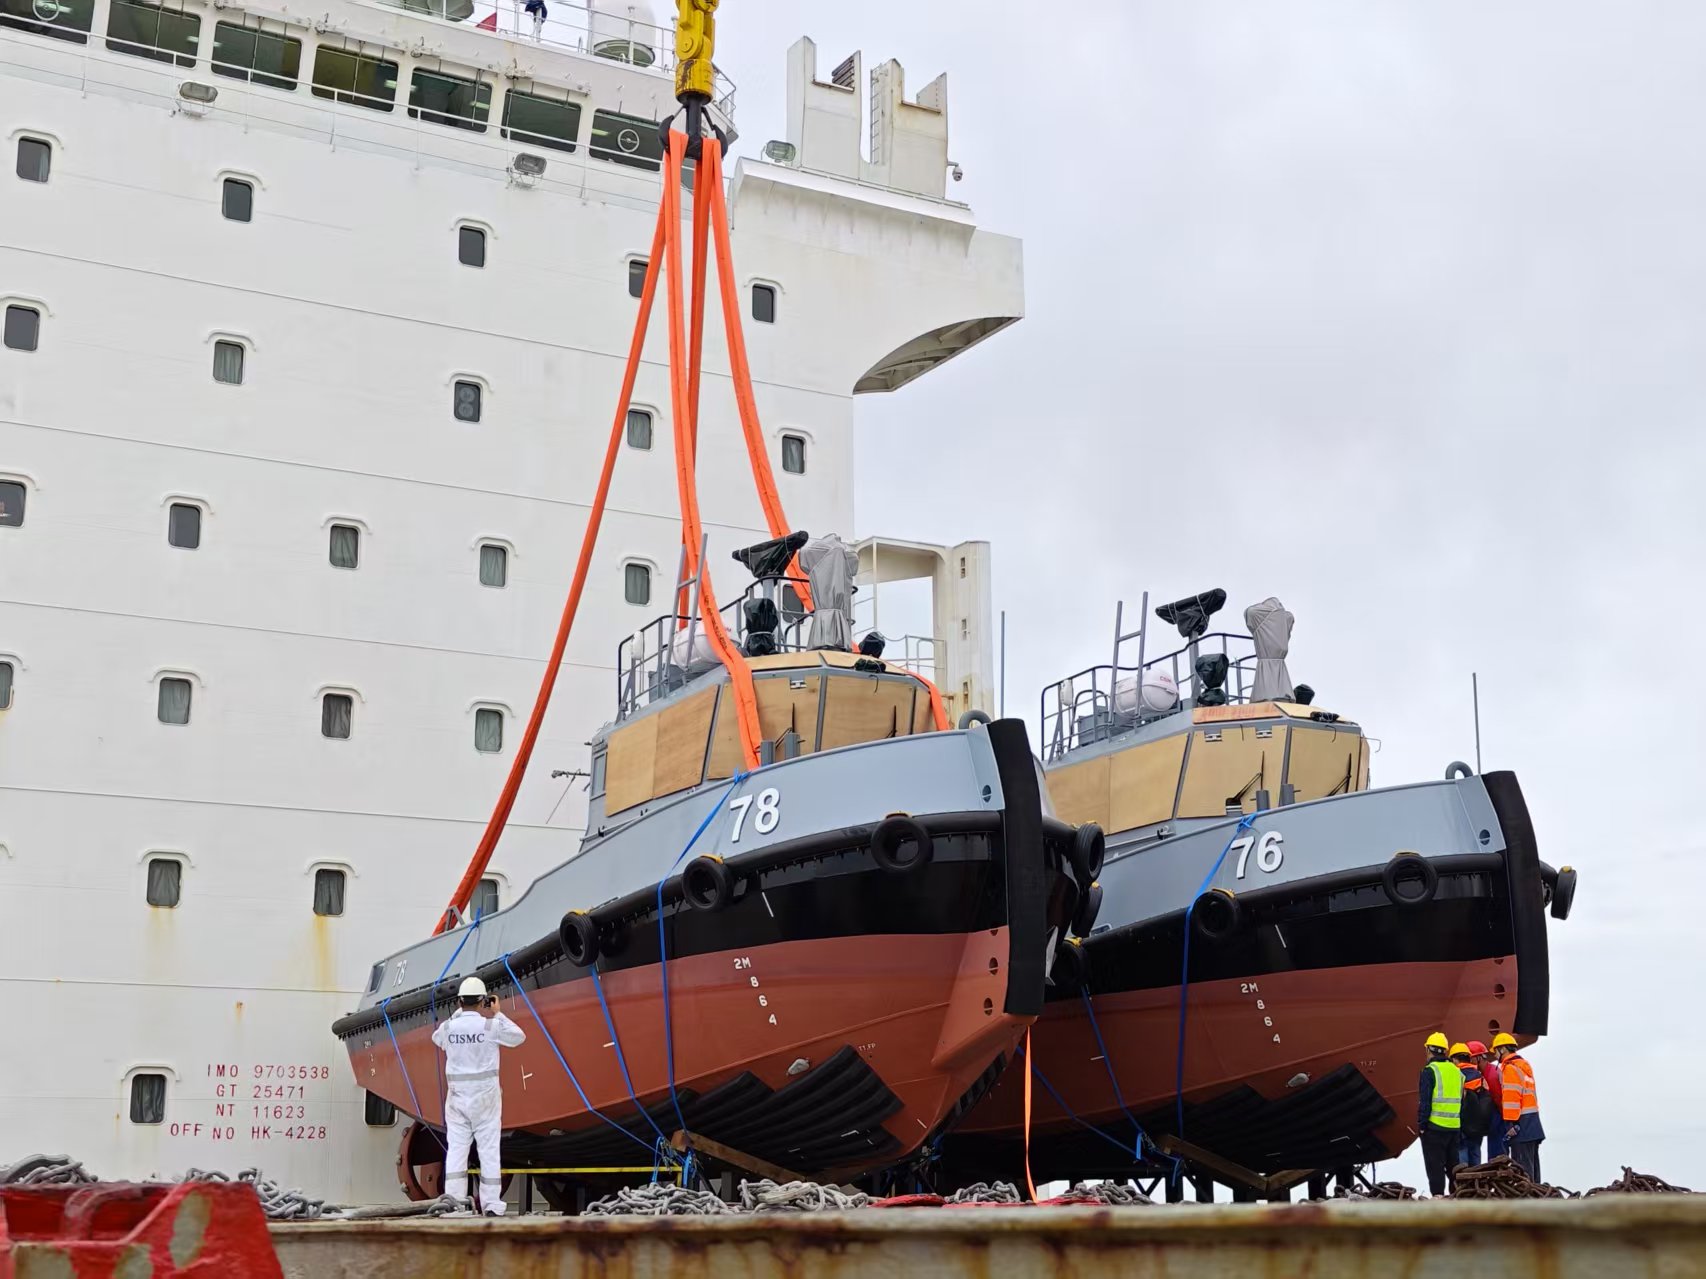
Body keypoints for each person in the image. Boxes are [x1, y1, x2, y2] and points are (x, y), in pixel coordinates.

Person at [431, 976, 526, 1215]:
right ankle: (491, 1205)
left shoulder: (449, 1028)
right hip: (486, 1099)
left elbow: (436, 1038)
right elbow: (518, 1036)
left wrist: (457, 1014)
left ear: (459, 1001)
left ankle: (453, 1205)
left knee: (456, 1151)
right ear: (483, 1000)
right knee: (489, 1151)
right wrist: (498, 1013)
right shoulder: (490, 1026)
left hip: (458, 1099)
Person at [1493, 1032, 1545, 1182]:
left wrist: (1510, 1124)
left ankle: (1528, 1195)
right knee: (1532, 1168)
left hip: (1521, 1126)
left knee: (1523, 1171)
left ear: (1502, 1049)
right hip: (1532, 1124)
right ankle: (1536, 1193)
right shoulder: (1524, 1067)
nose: (1495, 1055)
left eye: (1495, 1051)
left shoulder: (1510, 1069)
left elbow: (1512, 1099)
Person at [1416, 1031, 1463, 1196]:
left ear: (1429, 1050)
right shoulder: (1457, 1072)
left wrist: (1422, 1125)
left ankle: (1438, 1198)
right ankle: (1457, 1197)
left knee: (1435, 1167)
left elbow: (1425, 1102)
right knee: (1453, 1167)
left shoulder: (1429, 1071)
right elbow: (1461, 1099)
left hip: (1434, 1128)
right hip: (1454, 1127)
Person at [1452, 1042, 1493, 1169]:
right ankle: (1477, 1180)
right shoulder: (1479, 1076)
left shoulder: (1455, 1076)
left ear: (1454, 1059)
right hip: (1477, 1125)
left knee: (1462, 1156)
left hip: (1462, 1125)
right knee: (1475, 1153)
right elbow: (1487, 1098)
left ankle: (1466, 1180)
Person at [1468, 1040, 1505, 1159]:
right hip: (1492, 1117)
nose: (1469, 1062)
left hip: (1498, 1116)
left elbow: (1498, 1098)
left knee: (1497, 1154)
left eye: (1470, 1058)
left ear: (1478, 1058)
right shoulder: (1483, 1073)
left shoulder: (1491, 1075)